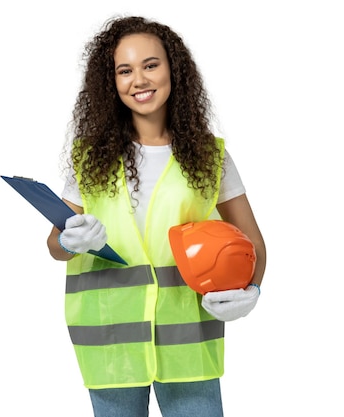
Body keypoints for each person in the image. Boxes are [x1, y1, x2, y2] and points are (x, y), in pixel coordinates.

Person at [46, 15, 266, 417]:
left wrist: (253, 290)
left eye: (151, 65)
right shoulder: (90, 158)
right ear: (110, 82)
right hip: (110, 337)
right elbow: (55, 245)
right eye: (124, 70)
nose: (139, 80)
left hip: (186, 335)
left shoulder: (209, 156)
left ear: (173, 69)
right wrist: (66, 240)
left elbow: (252, 240)